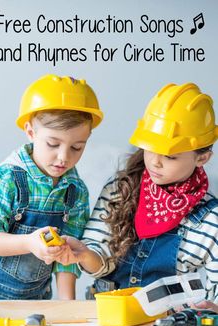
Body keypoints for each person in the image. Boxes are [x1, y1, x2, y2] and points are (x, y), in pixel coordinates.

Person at [57, 82, 218, 307]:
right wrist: (84, 254)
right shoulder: (119, 189)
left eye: (170, 156)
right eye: (150, 148)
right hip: (106, 315)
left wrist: (212, 309)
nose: (155, 162)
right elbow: (101, 256)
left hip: (165, 324)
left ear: (202, 158)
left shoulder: (210, 220)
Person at [0, 74, 103, 300]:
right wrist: (29, 243)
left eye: (77, 147)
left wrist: (67, 305)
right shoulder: (2, 179)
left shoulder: (75, 192)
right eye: (53, 144)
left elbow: (68, 257)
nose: (63, 157)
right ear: (31, 132)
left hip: (35, 301)